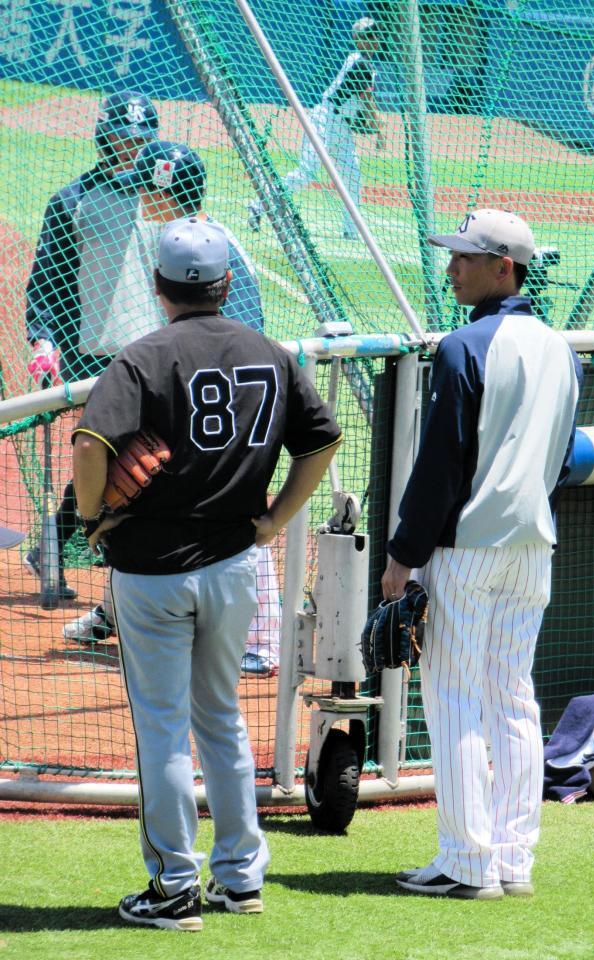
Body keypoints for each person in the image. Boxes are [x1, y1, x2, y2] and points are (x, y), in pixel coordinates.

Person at [71, 216, 342, 929]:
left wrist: (95, 515)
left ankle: (172, 890)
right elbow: (321, 439)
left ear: (158, 287)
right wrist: (276, 519)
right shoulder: (268, 353)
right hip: (234, 566)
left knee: (162, 730)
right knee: (219, 720)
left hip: (153, 573)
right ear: (227, 283)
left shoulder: (142, 357)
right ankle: (241, 879)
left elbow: (93, 443)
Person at [381, 209, 583, 900]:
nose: (451, 268)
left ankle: (466, 862)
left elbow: (438, 466)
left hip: (467, 549)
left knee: (456, 699)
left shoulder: (463, 348)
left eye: (465, 258)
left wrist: (402, 555)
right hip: (533, 546)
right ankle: (512, 860)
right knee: (513, 701)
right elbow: (559, 458)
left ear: (505, 268)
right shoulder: (561, 349)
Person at [61, 140, 281, 675]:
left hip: (229, 395)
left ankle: (268, 638)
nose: (138, 198)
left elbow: (236, 333)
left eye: (145, 189)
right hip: (204, 388)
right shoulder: (188, 238)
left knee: (240, 505)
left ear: (161, 196)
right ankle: (114, 609)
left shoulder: (202, 247)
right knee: (149, 493)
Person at [24, 89, 159, 601]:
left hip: (154, 352)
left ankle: (58, 544)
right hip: (92, 352)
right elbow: (46, 282)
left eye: (139, 140)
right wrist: (44, 341)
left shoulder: (162, 197)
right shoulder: (71, 201)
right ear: (105, 139)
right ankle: (71, 549)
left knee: (137, 463)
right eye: (122, 138)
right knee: (112, 461)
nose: (130, 148)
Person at [247, 16, 384, 240]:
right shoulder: (360, 63)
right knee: (306, 171)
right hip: (325, 120)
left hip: (341, 127)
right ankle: (258, 206)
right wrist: (380, 130)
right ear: (357, 39)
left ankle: (351, 231)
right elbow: (367, 100)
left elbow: (360, 104)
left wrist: (367, 123)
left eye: (374, 35)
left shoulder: (365, 64)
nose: (373, 39)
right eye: (367, 36)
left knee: (352, 176)